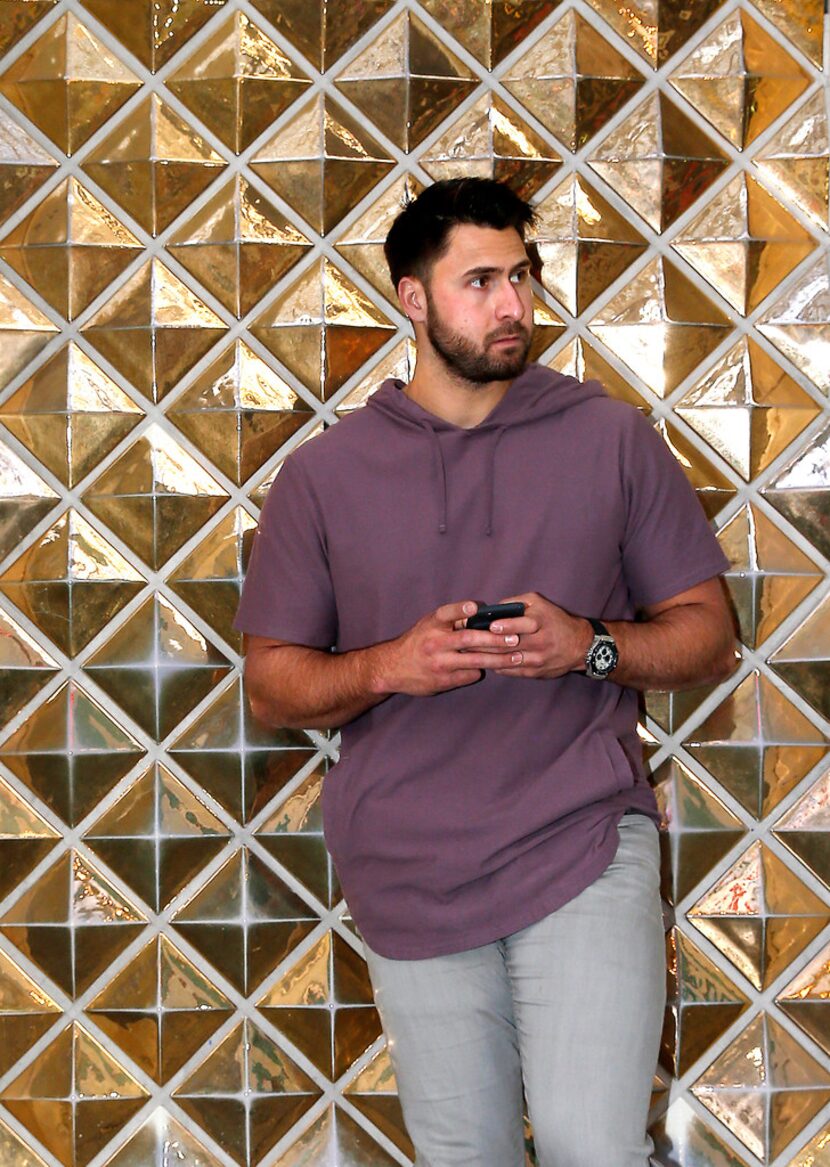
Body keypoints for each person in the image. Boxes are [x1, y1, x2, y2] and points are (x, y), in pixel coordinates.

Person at [234, 178, 737, 1167]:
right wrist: (388, 666)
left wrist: (588, 644)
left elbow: (705, 637)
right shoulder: (323, 480)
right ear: (412, 299)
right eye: (479, 281)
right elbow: (271, 685)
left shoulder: (608, 439)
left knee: (591, 1147)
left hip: (579, 841)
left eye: (521, 276)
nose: (512, 305)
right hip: (408, 871)